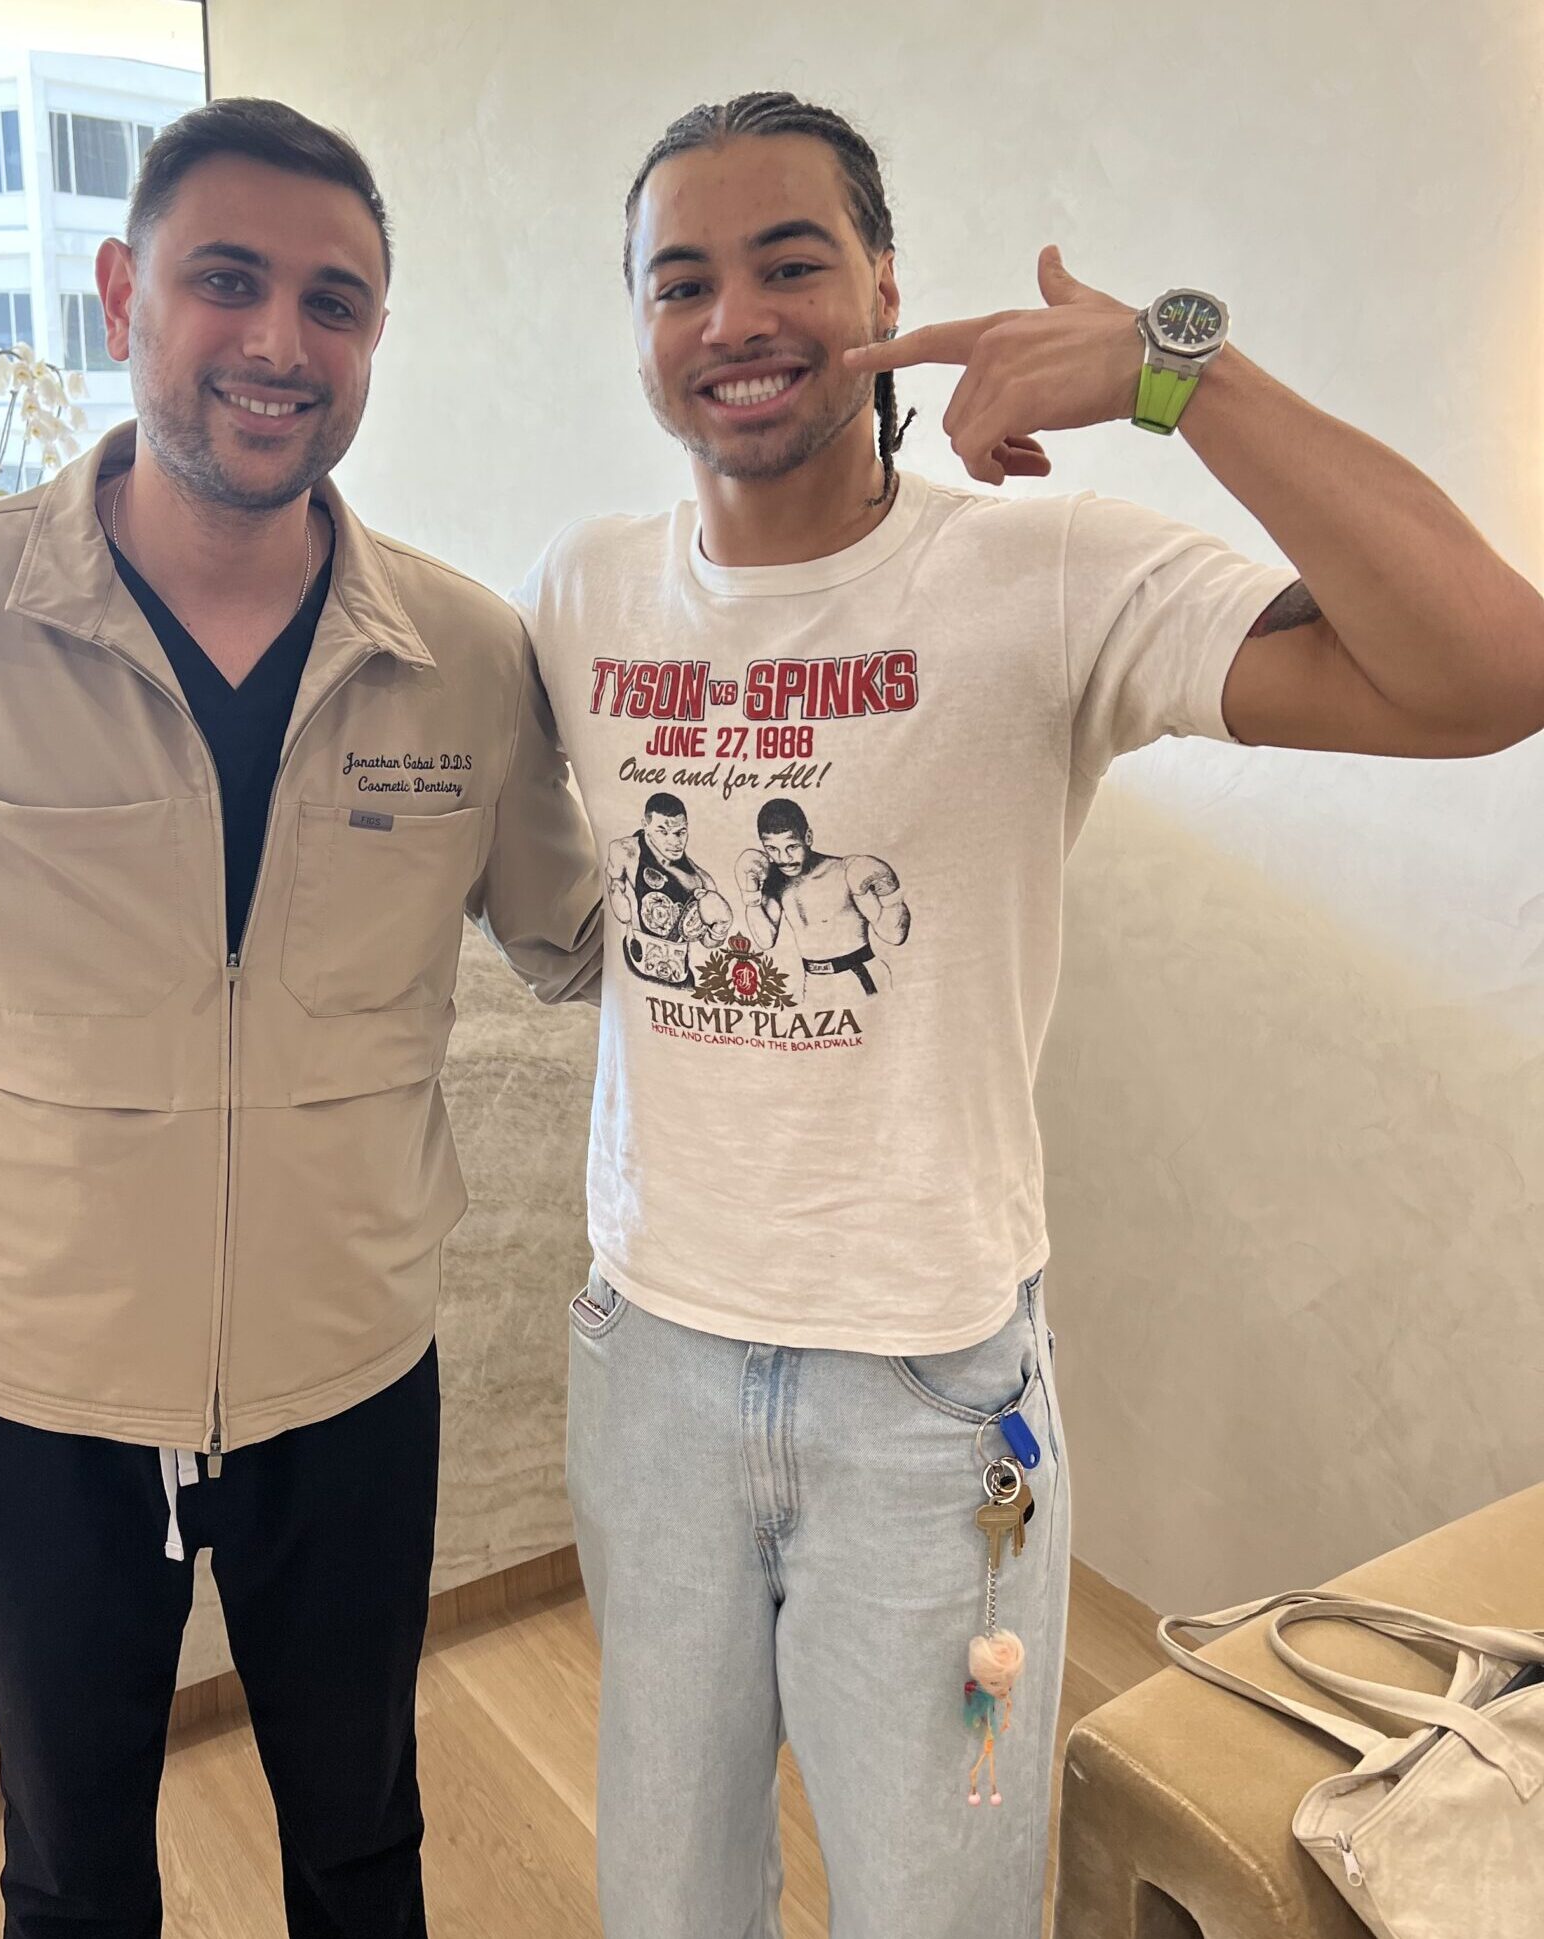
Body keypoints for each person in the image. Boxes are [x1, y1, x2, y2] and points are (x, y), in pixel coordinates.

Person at [513, 89, 1544, 1939]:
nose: (734, 317)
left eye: (789, 262)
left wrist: (1178, 371)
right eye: (682, 281)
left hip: (929, 1404)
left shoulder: (1037, 575)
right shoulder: (584, 593)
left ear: (887, 284)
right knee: (668, 1890)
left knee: (941, 1899)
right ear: (643, 328)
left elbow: (1489, 666)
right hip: (647, 1355)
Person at [0, 97, 600, 1939]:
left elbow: (586, 935)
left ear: (374, 341)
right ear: (125, 289)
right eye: (229, 280)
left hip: (351, 1373)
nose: (281, 342)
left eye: (336, 302)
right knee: (74, 1858)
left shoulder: (461, 650)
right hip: (37, 1382)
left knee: (363, 1836)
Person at [736, 797, 910, 998]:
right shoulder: (775, 881)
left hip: (860, 975)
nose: (784, 859)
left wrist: (891, 897)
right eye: (772, 849)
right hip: (814, 981)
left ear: (808, 837)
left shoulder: (845, 872)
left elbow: (894, 935)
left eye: (791, 846)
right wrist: (749, 893)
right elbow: (765, 940)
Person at [606, 791, 733, 987]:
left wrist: (721, 928)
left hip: (680, 978)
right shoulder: (625, 852)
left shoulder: (702, 881)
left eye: (680, 832)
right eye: (663, 831)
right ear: (645, 826)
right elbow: (619, 906)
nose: (674, 841)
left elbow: (708, 943)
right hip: (634, 967)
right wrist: (619, 895)